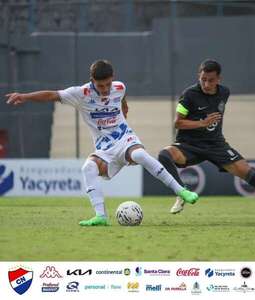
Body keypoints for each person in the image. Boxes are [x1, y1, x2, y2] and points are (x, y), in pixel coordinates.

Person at [6, 59, 199, 226]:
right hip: (104, 148)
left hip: (125, 138)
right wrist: (24, 96)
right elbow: (52, 95)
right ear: (92, 81)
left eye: (108, 84)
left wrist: (124, 109)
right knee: (88, 168)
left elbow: (122, 98)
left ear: (113, 78)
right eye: (101, 86)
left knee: (139, 155)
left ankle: (181, 191)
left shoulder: (119, 87)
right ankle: (100, 216)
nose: (106, 89)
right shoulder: (80, 93)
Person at [158, 59, 255, 222]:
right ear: (199, 76)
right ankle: (181, 192)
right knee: (164, 155)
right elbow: (177, 122)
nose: (206, 83)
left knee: (250, 174)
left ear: (219, 79)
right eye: (203, 79)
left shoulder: (224, 93)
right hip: (189, 145)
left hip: (216, 145)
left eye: (210, 80)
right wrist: (201, 123)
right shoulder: (189, 94)